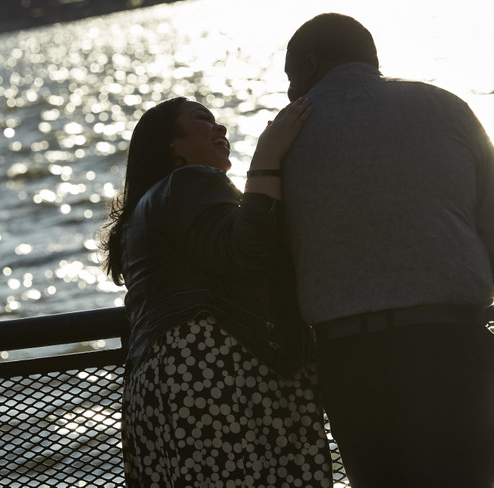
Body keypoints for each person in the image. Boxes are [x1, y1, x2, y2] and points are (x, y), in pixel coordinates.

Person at [278, 13, 494, 487]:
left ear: (309, 65)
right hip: (452, 345)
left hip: (349, 358)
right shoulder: (445, 107)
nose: (291, 94)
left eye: (291, 79)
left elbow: (272, 250)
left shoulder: (284, 136)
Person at [101, 96, 333, 487]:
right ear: (172, 145)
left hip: (160, 384)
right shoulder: (190, 180)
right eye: (202, 120)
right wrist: (268, 155)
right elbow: (246, 252)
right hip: (213, 375)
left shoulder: (145, 208)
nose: (220, 127)